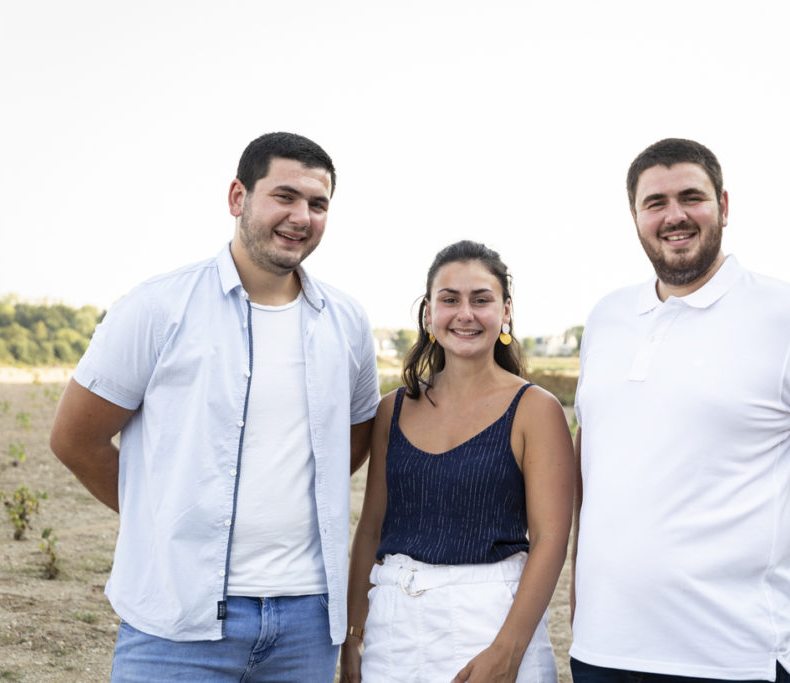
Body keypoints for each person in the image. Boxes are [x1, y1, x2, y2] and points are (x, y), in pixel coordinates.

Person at [570, 138, 790, 682]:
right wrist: (580, 587)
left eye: (691, 197)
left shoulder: (789, 315)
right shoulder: (607, 317)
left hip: (733, 654)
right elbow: (594, 453)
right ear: (634, 217)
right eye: (654, 203)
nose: (674, 215)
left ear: (723, 207)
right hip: (603, 648)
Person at [49, 132, 380, 681]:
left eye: (317, 204)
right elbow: (74, 440)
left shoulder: (347, 322)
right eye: (285, 196)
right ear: (237, 197)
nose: (301, 216)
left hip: (307, 625)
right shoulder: (157, 307)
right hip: (176, 625)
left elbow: (355, 439)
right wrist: (162, 520)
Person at [341, 240, 573, 683]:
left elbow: (550, 539)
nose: (465, 313)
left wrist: (508, 650)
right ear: (429, 314)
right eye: (449, 299)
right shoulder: (394, 409)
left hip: (489, 623)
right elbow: (370, 528)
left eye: (481, 299)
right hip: (394, 631)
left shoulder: (534, 409)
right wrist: (354, 635)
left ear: (505, 312)